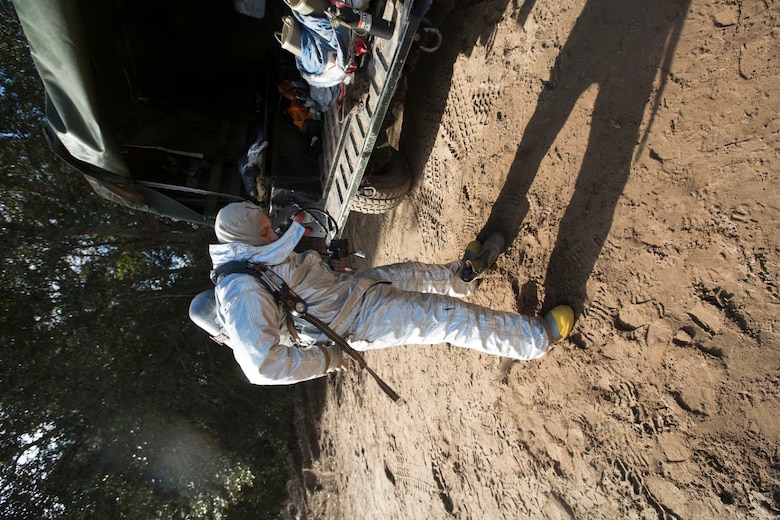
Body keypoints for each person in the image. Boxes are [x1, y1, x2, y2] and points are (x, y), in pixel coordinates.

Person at [208, 201, 574, 385]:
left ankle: (464, 278)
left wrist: (331, 268)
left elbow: (296, 281)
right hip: (356, 321)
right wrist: (327, 360)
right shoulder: (240, 290)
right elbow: (261, 366)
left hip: (352, 290)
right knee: (444, 318)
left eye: (270, 228)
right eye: (266, 232)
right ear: (246, 238)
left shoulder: (256, 256)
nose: (274, 236)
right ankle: (536, 339)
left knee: (415, 273)